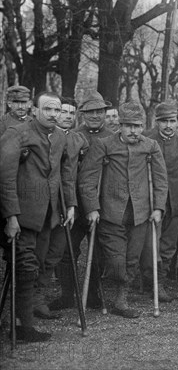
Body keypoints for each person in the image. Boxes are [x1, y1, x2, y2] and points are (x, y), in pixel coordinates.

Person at [78, 102, 169, 318]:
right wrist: (91, 208)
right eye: (128, 126)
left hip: (140, 214)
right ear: (120, 125)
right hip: (111, 212)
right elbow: (88, 179)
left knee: (131, 259)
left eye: (137, 126)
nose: (134, 131)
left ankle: (121, 298)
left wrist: (158, 208)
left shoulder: (151, 146)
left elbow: (160, 180)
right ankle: (108, 283)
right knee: (117, 261)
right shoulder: (104, 145)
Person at [0, 92, 76, 342]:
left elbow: (65, 174)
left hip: (48, 216)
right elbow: (6, 177)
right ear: (35, 110)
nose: (54, 114)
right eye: (48, 109)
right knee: (25, 268)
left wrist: (71, 205)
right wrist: (11, 216)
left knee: (36, 268)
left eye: (57, 110)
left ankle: (22, 322)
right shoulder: (18, 133)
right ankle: (22, 326)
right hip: (21, 217)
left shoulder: (61, 137)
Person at [49, 90, 114, 311]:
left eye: (99, 111)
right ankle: (67, 294)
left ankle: (93, 294)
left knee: (99, 252)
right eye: (90, 111)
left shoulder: (114, 137)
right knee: (68, 250)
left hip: (102, 205)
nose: (95, 115)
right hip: (75, 205)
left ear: (105, 113)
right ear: (83, 113)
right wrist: (70, 203)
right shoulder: (72, 136)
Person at [140, 103, 178, 302]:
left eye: (172, 121)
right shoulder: (146, 139)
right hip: (150, 201)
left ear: (177, 122)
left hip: (176, 201)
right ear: (157, 122)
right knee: (150, 243)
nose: (168, 125)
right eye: (164, 121)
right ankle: (147, 280)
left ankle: (160, 282)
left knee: (168, 246)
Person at [35, 97, 88, 318]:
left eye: (70, 113)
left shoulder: (79, 140)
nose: (66, 116)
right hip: (44, 203)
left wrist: (73, 204)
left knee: (57, 251)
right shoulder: (45, 136)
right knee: (39, 251)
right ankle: (32, 298)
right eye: (62, 111)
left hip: (68, 203)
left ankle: (38, 294)